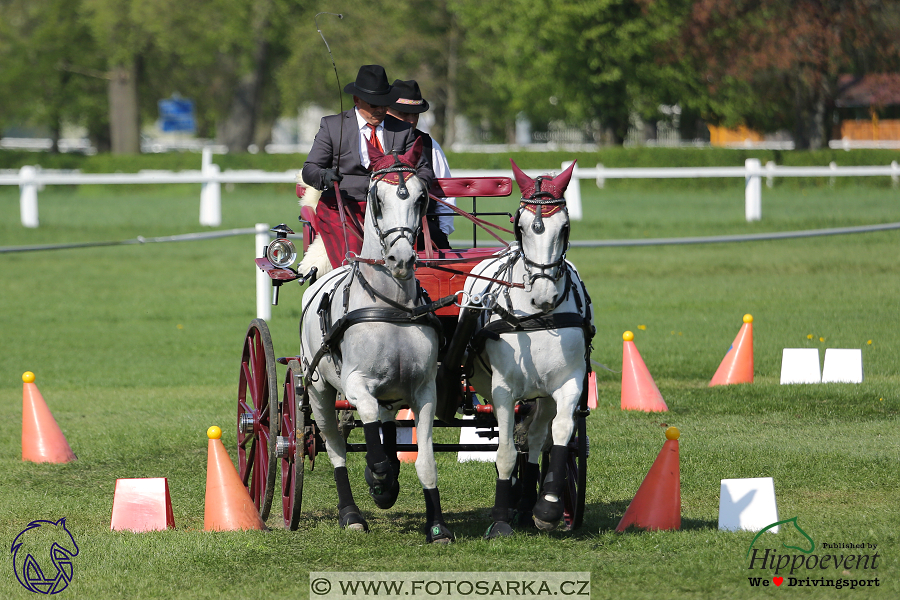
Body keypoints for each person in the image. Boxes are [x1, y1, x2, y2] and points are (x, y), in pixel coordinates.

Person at [302, 65, 435, 268]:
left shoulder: (403, 130)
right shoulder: (332, 126)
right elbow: (310, 169)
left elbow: (424, 169)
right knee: (357, 264)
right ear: (357, 100)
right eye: (374, 105)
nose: (381, 110)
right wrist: (324, 176)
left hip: (391, 209)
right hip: (345, 208)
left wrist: (414, 188)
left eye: (385, 104)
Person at [387, 79, 456, 250]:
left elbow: (445, 194)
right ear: (387, 111)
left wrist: (442, 231)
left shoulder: (429, 145)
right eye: (404, 114)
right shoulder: (374, 139)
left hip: (422, 229)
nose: (410, 120)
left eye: (415, 114)